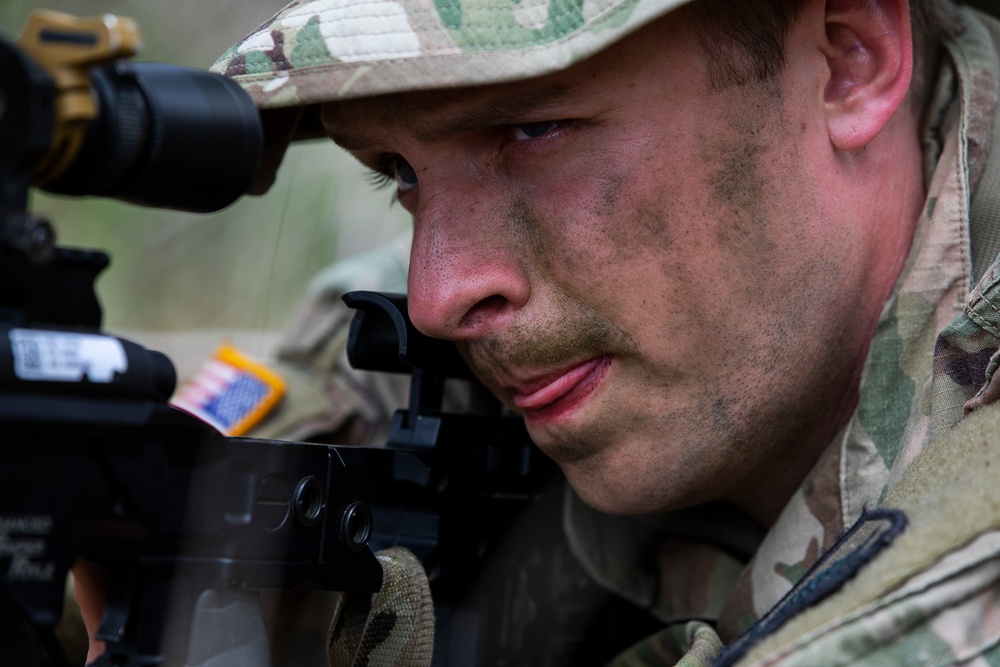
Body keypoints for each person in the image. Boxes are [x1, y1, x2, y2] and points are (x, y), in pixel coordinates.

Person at [76, 0, 1000, 664]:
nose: (438, 296)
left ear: (848, 60)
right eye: (399, 168)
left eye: (533, 130)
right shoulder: (433, 343)